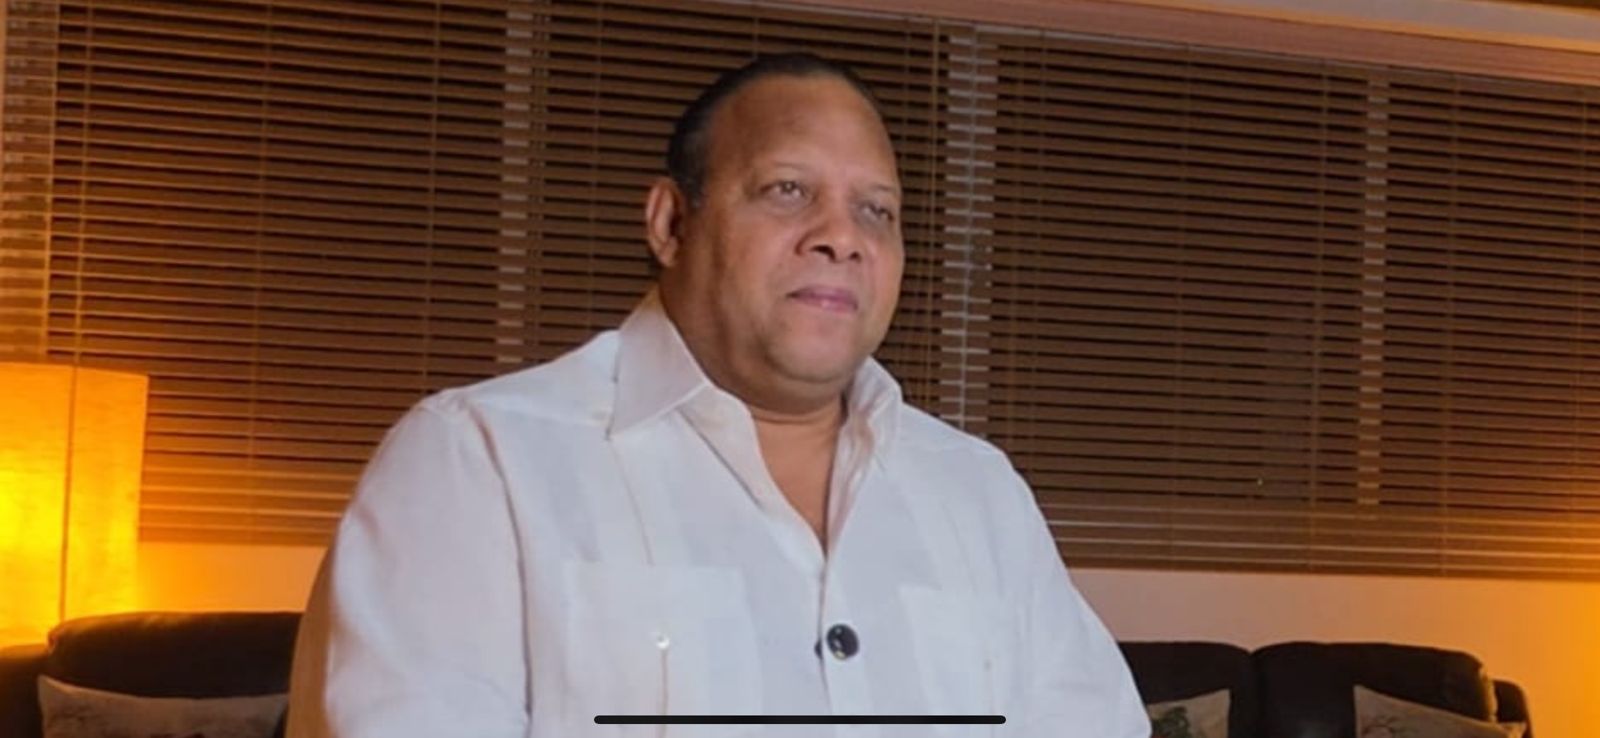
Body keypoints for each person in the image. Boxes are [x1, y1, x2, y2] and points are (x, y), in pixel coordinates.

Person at [286, 52, 1147, 738]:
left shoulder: (980, 492)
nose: (841, 237)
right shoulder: (479, 461)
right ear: (671, 223)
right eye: (788, 191)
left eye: (877, 211)